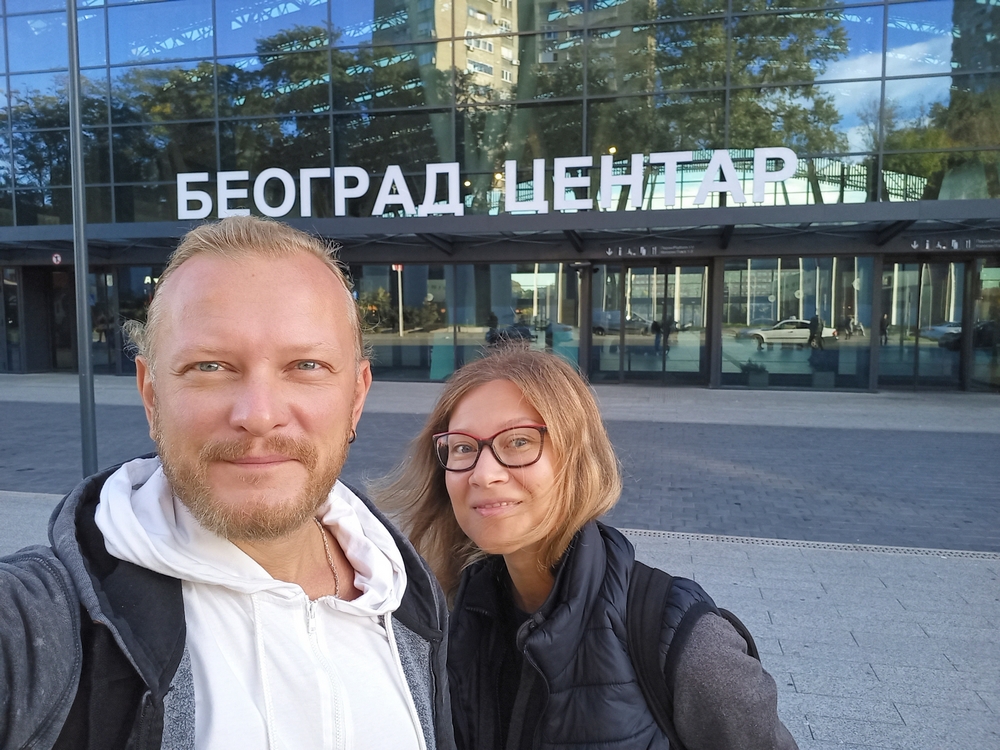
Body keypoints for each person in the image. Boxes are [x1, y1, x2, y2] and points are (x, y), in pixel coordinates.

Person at [0, 217, 454, 750]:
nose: (259, 415)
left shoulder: (404, 594)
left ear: (356, 396)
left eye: (306, 365)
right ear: (152, 396)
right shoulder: (36, 624)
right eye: (210, 366)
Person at [377, 347, 798, 750]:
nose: (484, 474)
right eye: (464, 448)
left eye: (520, 442)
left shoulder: (682, 639)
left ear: (577, 459)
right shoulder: (444, 617)